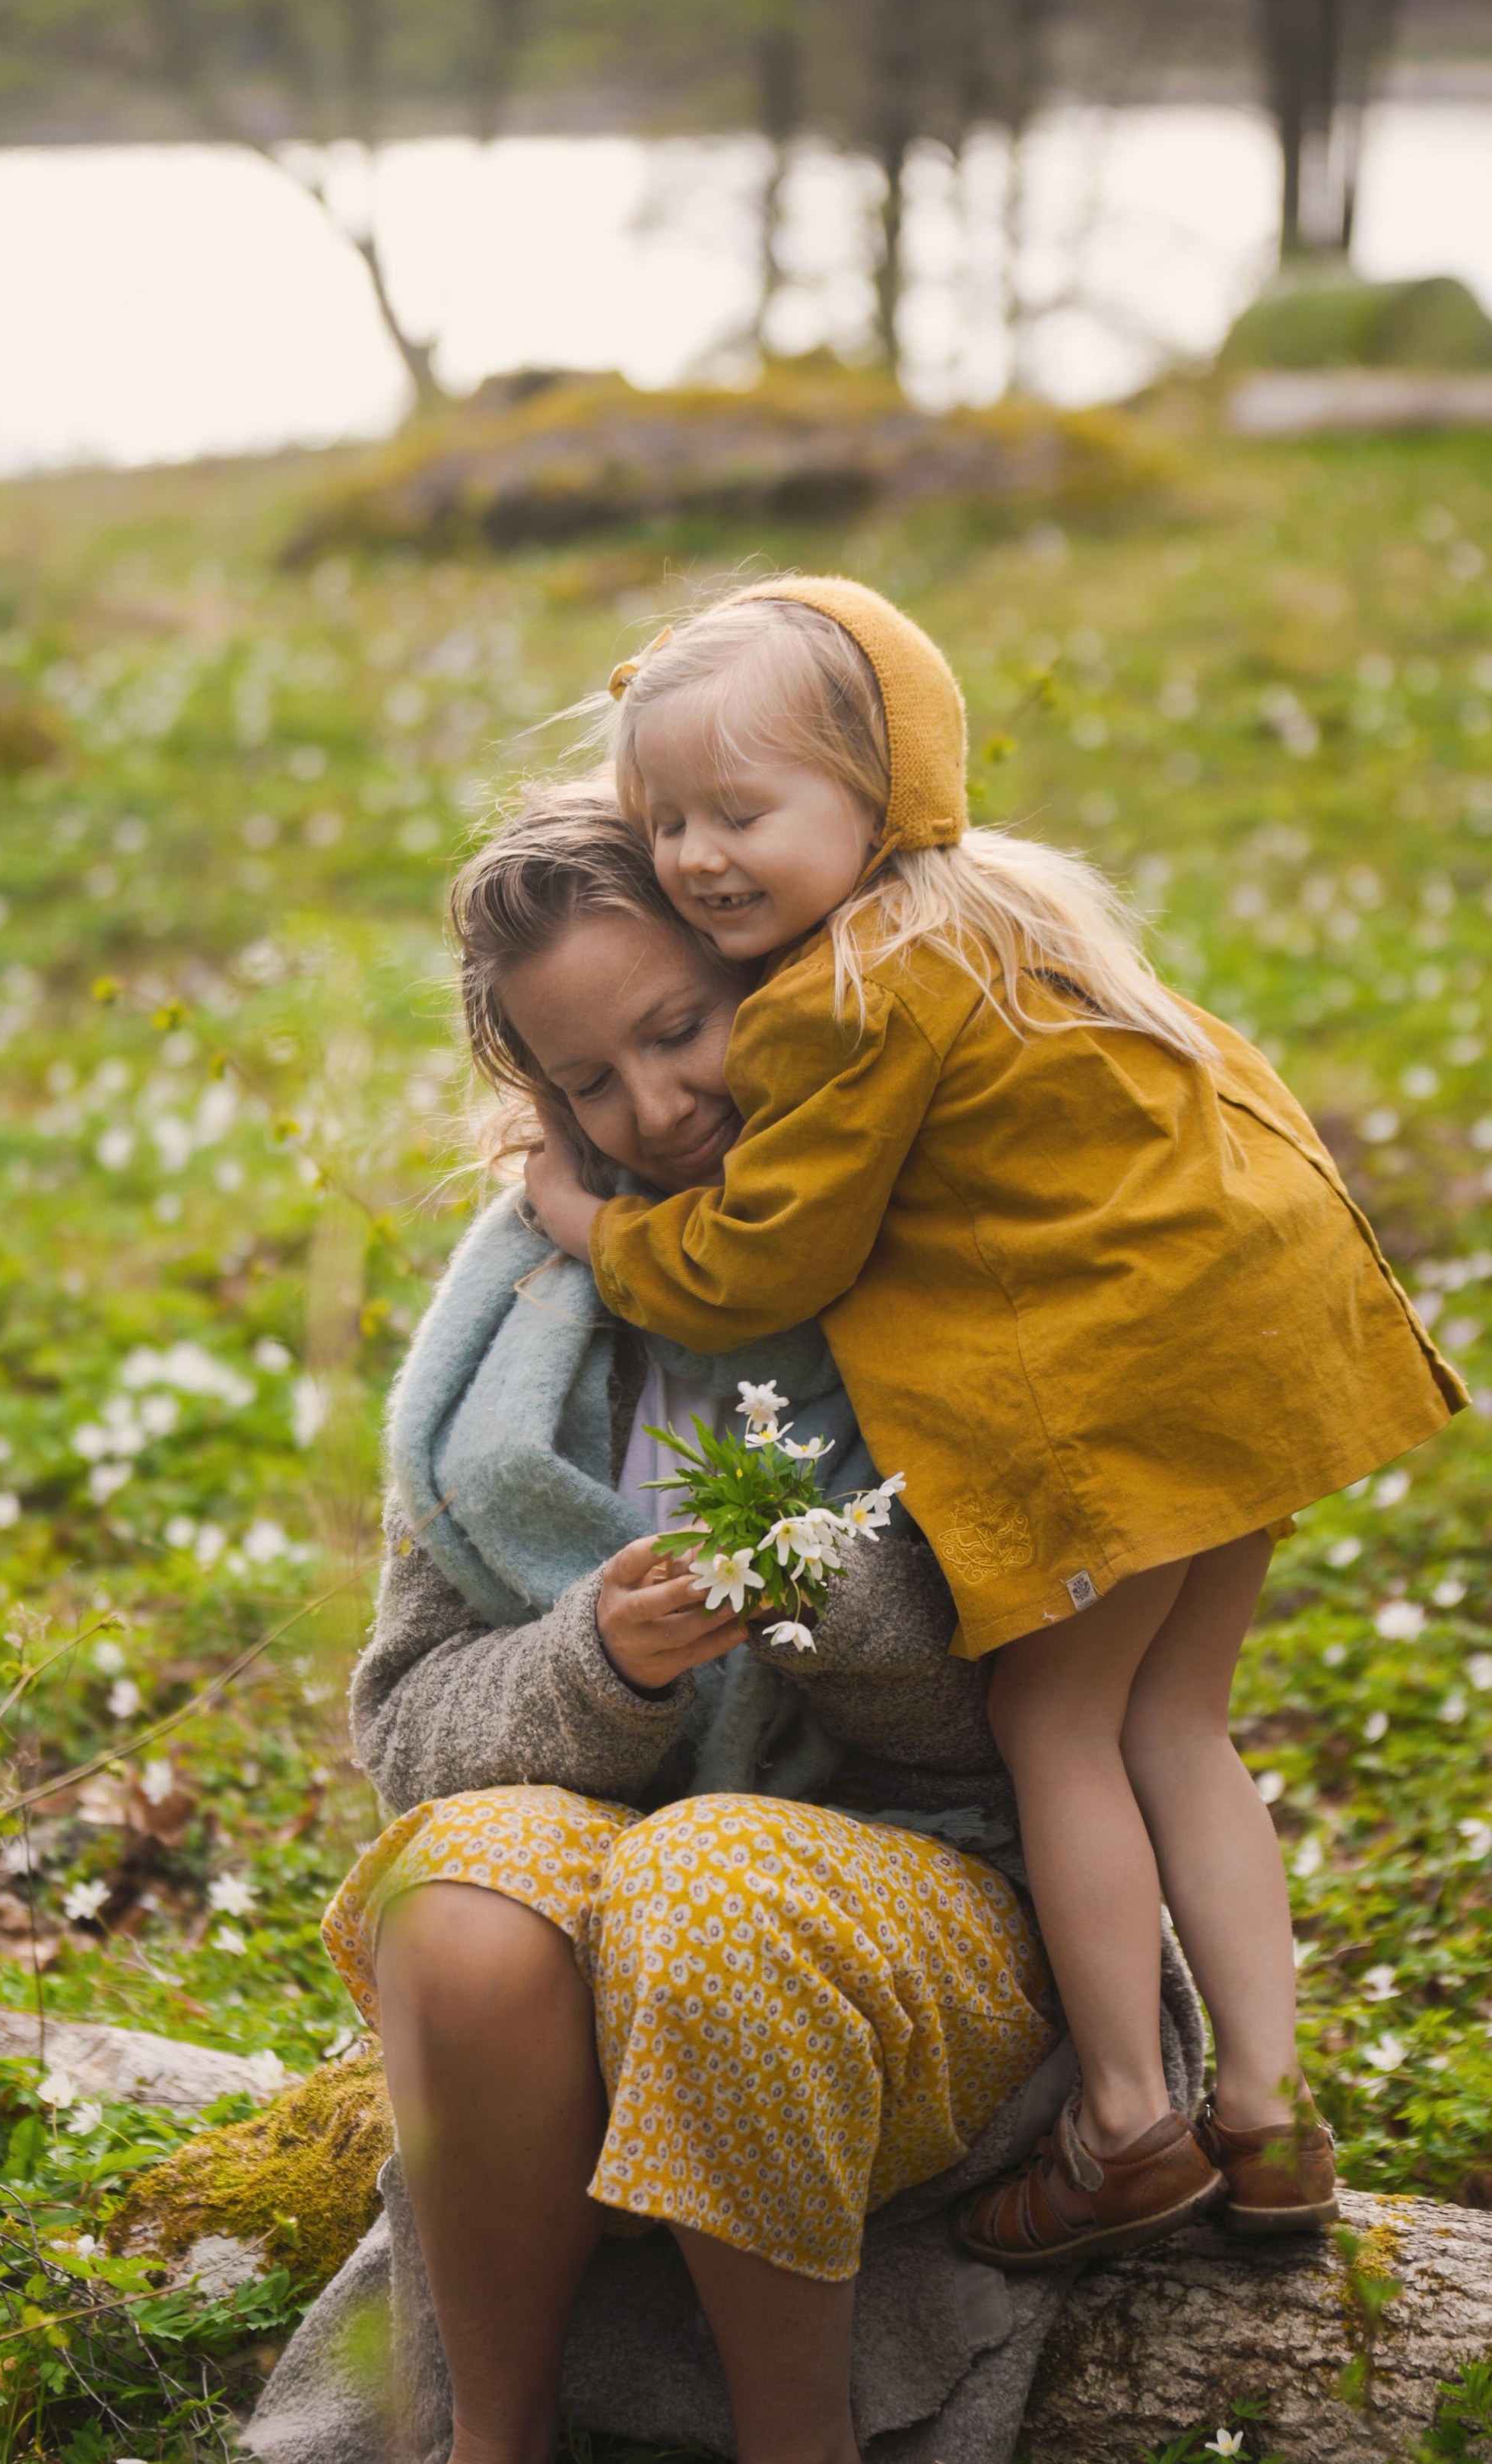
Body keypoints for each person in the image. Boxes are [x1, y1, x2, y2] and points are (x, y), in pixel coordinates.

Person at [242, 782, 1205, 2464]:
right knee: (468, 1883)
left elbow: (1064, 1713)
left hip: (934, 1910)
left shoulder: (956, 1228)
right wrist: (596, 1662)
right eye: (591, 1079)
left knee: (719, 1894)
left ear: (782, 971)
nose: (659, 1106)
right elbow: (407, 1726)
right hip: (614, 1896)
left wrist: (823, 1610)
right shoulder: (517, 1332)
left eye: (686, 1029)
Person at [523, 574, 1463, 2280]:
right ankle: (1261, 2105)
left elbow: (757, 1261)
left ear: (883, 794)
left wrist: (593, 1227)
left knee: (1056, 1726)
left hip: (1116, 1370)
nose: (698, 858)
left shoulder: (839, 991)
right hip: (1246, 1327)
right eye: (665, 820)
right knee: (1180, 1721)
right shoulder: (1012, 906)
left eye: (742, 810)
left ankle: (1123, 2122)